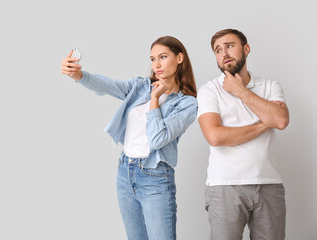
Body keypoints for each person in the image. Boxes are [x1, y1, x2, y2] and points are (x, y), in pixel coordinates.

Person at [61, 36, 197, 240]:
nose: (157, 64)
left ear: (179, 58)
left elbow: (158, 139)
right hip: (125, 172)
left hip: (156, 178)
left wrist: (154, 99)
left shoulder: (187, 104)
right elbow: (107, 85)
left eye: (163, 57)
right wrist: (79, 75)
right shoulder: (141, 86)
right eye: (152, 59)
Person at [197, 29, 289, 240]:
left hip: (269, 184)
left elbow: (281, 120)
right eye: (218, 50)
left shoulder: (270, 85)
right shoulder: (209, 90)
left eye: (229, 46)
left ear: (246, 49)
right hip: (224, 186)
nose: (224, 53)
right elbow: (215, 136)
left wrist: (240, 91)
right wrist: (265, 122)